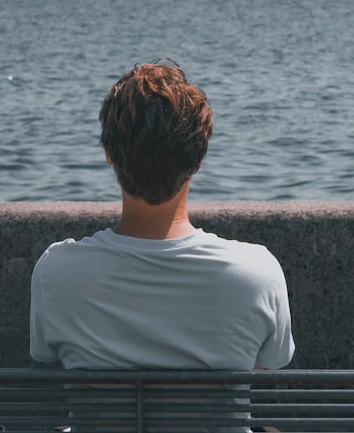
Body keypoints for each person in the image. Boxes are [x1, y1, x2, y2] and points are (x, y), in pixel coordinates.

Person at [30, 58, 295, 372]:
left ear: (109, 155)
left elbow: (45, 355)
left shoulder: (56, 271)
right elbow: (270, 364)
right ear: (198, 160)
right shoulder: (258, 273)